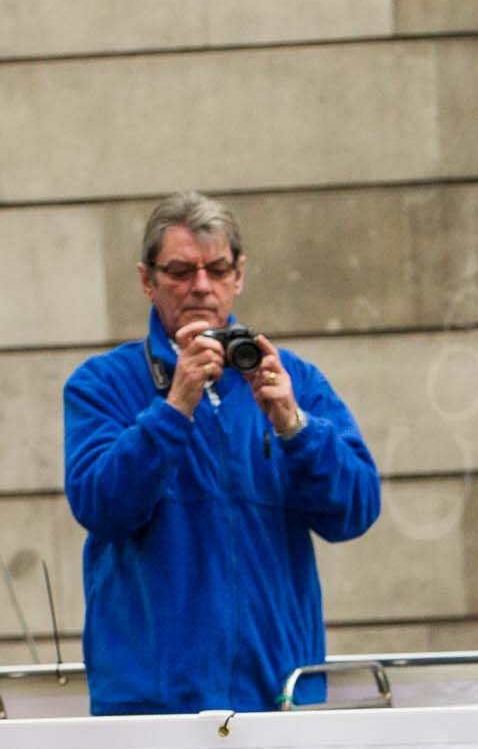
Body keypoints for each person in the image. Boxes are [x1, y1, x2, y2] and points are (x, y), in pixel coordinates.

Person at [62, 192, 381, 714]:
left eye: (217, 268)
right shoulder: (102, 384)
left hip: (277, 700)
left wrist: (294, 426)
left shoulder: (293, 378)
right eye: (181, 271)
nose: (201, 286)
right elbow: (101, 506)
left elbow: (356, 511)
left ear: (239, 275)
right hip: (151, 708)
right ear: (148, 280)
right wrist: (175, 405)